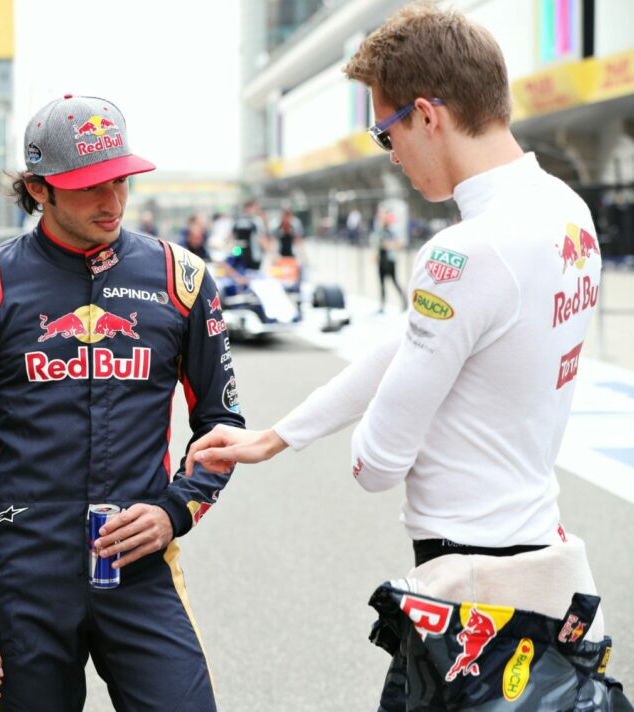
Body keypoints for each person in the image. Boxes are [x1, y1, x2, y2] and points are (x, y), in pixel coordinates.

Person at [186, 3, 627, 709]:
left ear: (427, 115)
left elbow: (375, 465)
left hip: (471, 594)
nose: (387, 152)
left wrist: (391, 429)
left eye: (383, 131)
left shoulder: (461, 254)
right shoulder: (563, 208)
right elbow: (409, 338)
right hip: (544, 556)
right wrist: (277, 436)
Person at [0, 94, 245, 711]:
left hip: (139, 562)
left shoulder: (183, 279)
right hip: (23, 572)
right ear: (39, 189)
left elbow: (222, 425)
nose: (113, 201)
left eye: (120, 179)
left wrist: (175, 511)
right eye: (91, 186)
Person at [372, 210, 408, 312]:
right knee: (381, 283)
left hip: (390, 260)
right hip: (382, 259)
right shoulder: (380, 230)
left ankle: (404, 301)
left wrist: (387, 245)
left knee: (394, 281)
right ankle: (382, 306)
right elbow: (376, 243)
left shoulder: (393, 229)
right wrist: (375, 254)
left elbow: (399, 243)